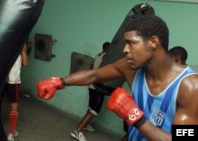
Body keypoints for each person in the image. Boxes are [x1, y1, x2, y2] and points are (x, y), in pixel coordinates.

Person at [37, 15, 198, 141]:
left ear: (153, 42)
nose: (125, 49)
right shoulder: (129, 67)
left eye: (131, 43)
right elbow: (94, 74)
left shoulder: (190, 87)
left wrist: (134, 116)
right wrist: (60, 81)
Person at [70, 42, 110, 141]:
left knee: (91, 108)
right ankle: (77, 131)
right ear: (108, 49)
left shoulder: (98, 55)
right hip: (97, 87)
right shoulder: (106, 57)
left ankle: (85, 125)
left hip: (91, 84)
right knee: (95, 110)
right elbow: (102, 71)